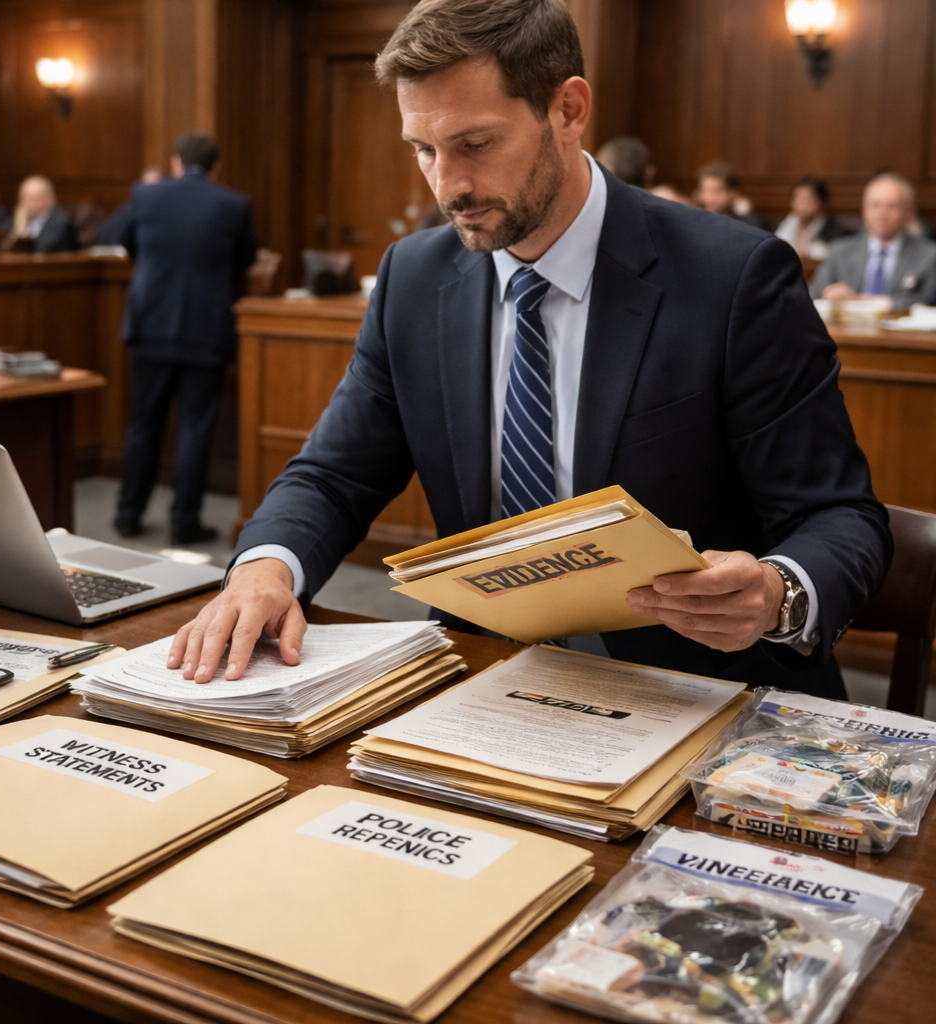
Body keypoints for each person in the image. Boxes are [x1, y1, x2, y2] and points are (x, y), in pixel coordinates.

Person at [169, 0, 890, 701]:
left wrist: (777, 592)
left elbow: (841, 517)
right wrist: (264, 571)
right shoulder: (414, 279)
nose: (448, 186)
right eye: (424, 150)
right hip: (485, 680)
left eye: (475, 144)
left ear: (569, 110)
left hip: (696, 691)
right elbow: (332, 476)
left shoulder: (732, 277)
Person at [115, 133, 257, 546]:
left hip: (152, 326)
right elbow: (246, 257)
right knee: (194, 429)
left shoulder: (146, 195)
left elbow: (126, 241)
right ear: (216, 168)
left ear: (176, 162)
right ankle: (184, 522)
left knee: (144, 423)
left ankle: (127, 514)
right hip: (205, 330)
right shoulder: (233, 204)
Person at [810, 173, 936, 309]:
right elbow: (812, 294)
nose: (882, 213)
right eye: (875, 205)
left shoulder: (929, 256)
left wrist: (872, 303)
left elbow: (926, 301)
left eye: (892, 206)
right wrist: (827, 294)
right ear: (864, 210)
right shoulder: (840, 252)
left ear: (908, 211)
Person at [773, 175, 849, 260]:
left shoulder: (836, 233)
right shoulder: (779, 227)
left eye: (807, 199)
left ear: (821, 202)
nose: (801, 204)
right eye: (797, 198)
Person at [3, 176, 78, 253]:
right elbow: (1, 244)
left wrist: (22, 237)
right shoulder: (16, 222)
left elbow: (47, 247)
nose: (27, 203)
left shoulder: (60, 221)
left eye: (33, 198)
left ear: (50, 199)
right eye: (24, 198)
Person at [96, 167, 163, 247]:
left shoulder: (165, 215)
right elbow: (107, 234)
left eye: (156, 186)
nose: (151, 191)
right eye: (148, 186)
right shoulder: (126, 213)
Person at [694, 162, 762, 228]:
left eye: (716, 191)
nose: (708, 198)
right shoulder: (695, 223)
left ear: (733, 193)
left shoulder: (746, 225)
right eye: (704, 190)